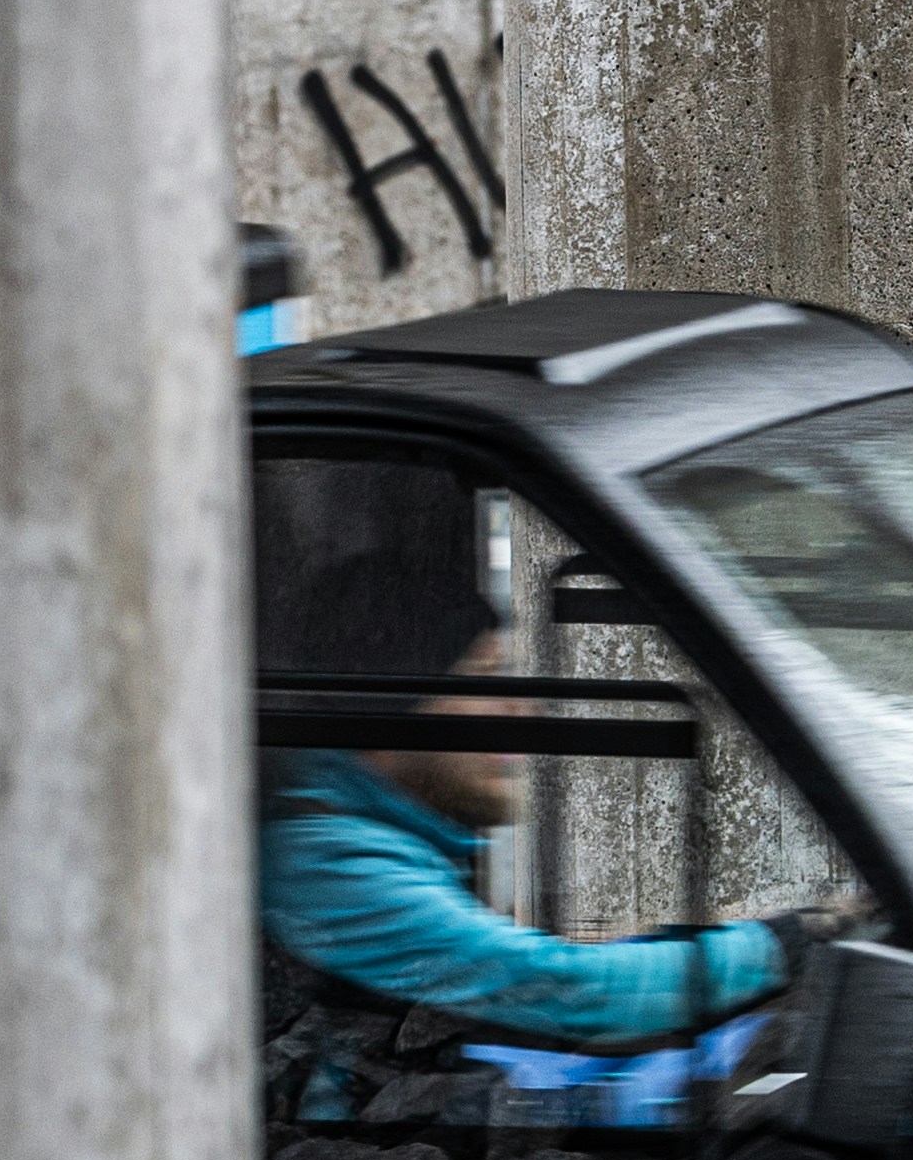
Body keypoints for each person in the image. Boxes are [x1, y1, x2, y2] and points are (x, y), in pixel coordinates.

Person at [254, 459, 822, 1107]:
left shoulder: (378, 838)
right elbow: (568, 989)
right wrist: (781, 945)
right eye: (487, 680)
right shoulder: (321, 859)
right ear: (394, 712)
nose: (522, 709)